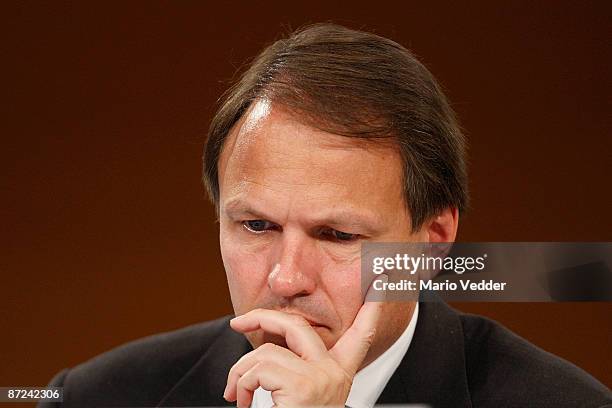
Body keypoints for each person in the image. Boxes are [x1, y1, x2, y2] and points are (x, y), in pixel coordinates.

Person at [41, 23, 611, 408]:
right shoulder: (98, 394)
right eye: (256, 226)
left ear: (433, 242)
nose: (286, 280)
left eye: (337, 235)